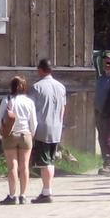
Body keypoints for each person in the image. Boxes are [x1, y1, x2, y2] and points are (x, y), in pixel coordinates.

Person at [0, 74, 38, 205]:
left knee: (12, 167)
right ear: (24, 87)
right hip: (25, 135)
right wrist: (32, 134)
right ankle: (23, 195)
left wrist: (1, 134)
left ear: (12, 87)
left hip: (10, 135)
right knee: (24, 166)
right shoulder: (29, 102)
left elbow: (0, 120)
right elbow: (34, 122)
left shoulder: (7, 100)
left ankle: (12, 195)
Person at [29, 59, 66, 203]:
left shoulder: (37, 87)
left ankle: (46, 191)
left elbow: (31, 110)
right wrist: (60, 123)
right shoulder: (61, 87)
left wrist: (31, 129)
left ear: (41, 70)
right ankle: (47, 189)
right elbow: (63, 108)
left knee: (45, 162)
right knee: (50, 160)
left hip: (42, 127)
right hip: (56, 127)